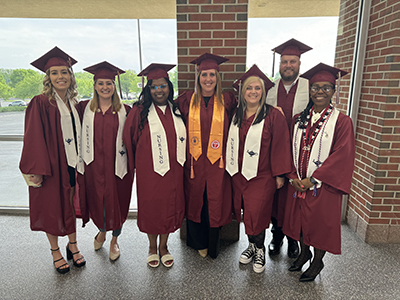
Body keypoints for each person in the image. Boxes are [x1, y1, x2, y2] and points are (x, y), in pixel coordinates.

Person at [283, 63, 355, 282]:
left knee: (320, 224)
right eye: (315, 87)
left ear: (334, 91)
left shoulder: (342, 121)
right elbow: (287, 148)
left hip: (322, 186)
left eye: (326, 88)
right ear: (310, 89)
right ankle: (304, 254)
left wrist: (313, 180)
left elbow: (342, 155)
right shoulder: (299, 119)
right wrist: (293, 177)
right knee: (301, 222)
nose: (320, 92)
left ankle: (317, 261)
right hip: (298, 183)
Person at [19, 47, 85, 274]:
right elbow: (33, 137)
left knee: (69, 203)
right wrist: (36, 169)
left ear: (71, 76)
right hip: (51, 166)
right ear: (48, 78)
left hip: (72, 164)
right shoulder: (40, 102)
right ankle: (55, 250)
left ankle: (73, 244)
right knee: (51, 207)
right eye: (55, 73)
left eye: (65, 72)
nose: (61, 77)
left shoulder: (74, 102)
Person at [226, 65, 292, 273]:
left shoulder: (273, 115)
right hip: (238, 175)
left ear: (263, 92)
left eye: (257, 88)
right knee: (247, 212)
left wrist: (280, 174)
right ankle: (252, 246)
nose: (253, 92)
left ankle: (260, 248)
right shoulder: (236, 114)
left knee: (259, 213)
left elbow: (281, 145)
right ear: (242, 92)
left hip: (262, 176)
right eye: (249, 88)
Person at [123, 63, 186, 268]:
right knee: (152, 207)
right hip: (149, 172)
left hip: (174, 171)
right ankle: (152, 246)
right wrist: (135, 167)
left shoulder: (176, 110)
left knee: (169, 206)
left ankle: (164, 246)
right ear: (148, 89)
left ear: (169, 87)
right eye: (154, 87)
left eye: (163, 86)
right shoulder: (139, 111)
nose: (159, 90)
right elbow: (128, 140)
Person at [175, 53, 237, 259]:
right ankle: (197, 242)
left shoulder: (227, 100)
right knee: (196, 201)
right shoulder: (186, 100)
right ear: (198, 76)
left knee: (214, 202)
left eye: (212, 74)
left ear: (218, 77)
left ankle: (213, 244)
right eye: (204, 74)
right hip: (193, 162)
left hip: (217, 164)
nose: (208, 79)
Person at [76, 61, 133, 261]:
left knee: (117, 201)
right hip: (93, 167)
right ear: (94, 86)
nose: (105, 87)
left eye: (109, 83)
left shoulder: (126, 110)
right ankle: (101, 230)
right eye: (101, 83)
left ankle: (114, 239)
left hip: (118, 167)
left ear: (114, 86)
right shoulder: (84, 108)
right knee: (97, 200)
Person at [265, 38, 313, 258]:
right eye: (285, 61)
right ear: (280, 64)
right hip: (274, 154)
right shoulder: (269, 89)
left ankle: (294, 239)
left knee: (294, 198)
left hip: (300, 154)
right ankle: (276, 236)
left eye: (293, 61)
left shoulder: (309, 87)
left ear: (299, 63)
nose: (288, 65)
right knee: (276, 198)